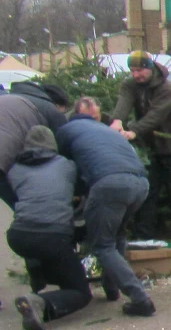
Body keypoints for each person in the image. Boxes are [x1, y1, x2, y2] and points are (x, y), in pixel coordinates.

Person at [0, 80, 70, 315]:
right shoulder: (48, 109)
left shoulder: (5, 99)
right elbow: (65, 147)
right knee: (29, 216)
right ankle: (39, 278)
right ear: (57, 103)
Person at [56, 106, 155, 317]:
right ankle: (112, 289)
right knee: (116, 235)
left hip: (110, 184)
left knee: (102, 244)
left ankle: (140, 299)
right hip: (140, 183)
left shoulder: (66, 130)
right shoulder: (106, 130)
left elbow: (64, 166)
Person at [6, 126, 91, 330]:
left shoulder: (14, 169)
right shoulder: (67, 166)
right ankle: (40, 303)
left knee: (40, 244)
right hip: (52, 237)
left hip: (18, 236)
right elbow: (81, 189)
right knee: (81, 292)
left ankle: (37, 271)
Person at [110, 52, 171, 239]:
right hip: (149, 150)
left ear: (150, 68)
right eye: (132, 71)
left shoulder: (166, 89)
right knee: (147, 195)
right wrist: (117, 122)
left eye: (139, 70)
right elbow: (124, 103)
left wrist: (133, 131)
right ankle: (144, 241)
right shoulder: (130, 85)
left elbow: (156, 116)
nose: (136, 75)